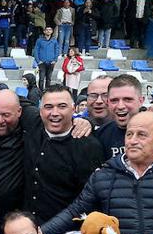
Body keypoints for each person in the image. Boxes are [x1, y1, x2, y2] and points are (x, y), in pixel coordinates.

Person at [23, 86, 107, 224]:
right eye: (48, 107)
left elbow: (89, 200)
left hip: (66, 231)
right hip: (28, 227)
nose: (54, 113)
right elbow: (8, 101)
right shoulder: (33, 123)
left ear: (73, 109)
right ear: (40, 110)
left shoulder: (89, 146)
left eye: (62, 106)